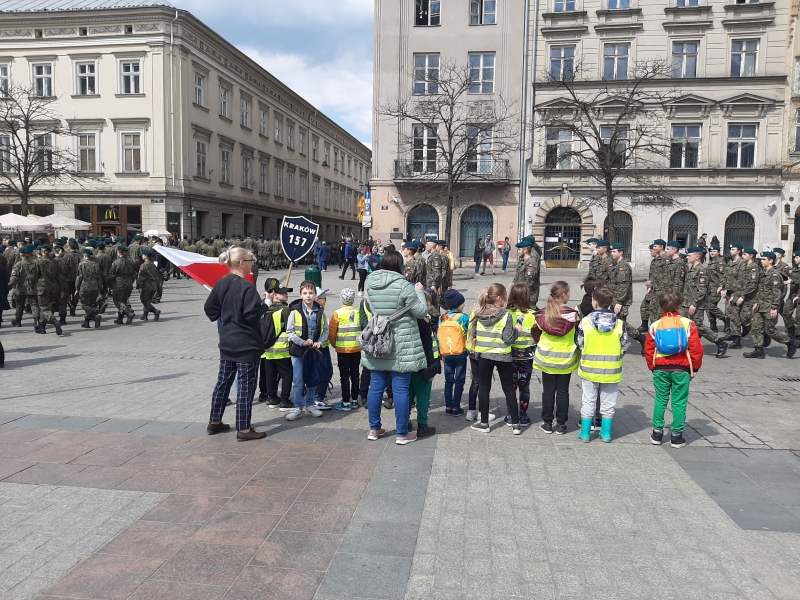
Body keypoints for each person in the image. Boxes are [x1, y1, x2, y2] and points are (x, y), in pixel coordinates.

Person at [360, 249, 428, 444]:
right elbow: (421, 311)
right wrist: (419, 292)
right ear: (399, 265)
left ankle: (374, 429)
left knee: (375, 387)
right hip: (401, 344)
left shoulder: (370, 284)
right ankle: (401, 433)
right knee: (400, 389)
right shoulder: (403, 286)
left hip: (377, 341)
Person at [203, 247, 267, 441]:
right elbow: (251, 314)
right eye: (250, 260)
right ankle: (244, 429)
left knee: (223, 382)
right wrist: (266, 304)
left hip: (227, 342)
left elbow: (209, 309)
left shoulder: (222, 282)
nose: (252, 263)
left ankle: (215, 421)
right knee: (246, 387)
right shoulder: (246, 286)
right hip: (246, 344)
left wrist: (226, 318)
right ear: (241, 263)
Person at [645, 291, 704, 449]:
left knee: (660, 399)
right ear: (679, 306)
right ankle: (676, 436)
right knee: (679, 401)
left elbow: (649, 349)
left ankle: (657, 433)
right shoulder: (688, 324)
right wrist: (695, 367)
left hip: (660, 368)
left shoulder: (655, 325)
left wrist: (653, 366)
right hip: (681, 368)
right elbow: (696, 348)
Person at [576, 285, 628, 443]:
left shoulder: (585, 322)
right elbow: (624, 345)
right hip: (612, 370)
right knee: (608, 402)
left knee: (588, 400)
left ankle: (585, 433)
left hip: (589, 369)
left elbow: (579, 343)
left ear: (594, 302)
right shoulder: (619, 324)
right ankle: (605, 433)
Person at [467, 283, 522, 434]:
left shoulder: (479, 314)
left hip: (485, 356)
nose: (506, 300)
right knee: (509, 389)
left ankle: (484, 423)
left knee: (484, 388)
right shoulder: (506, 315)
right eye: (505, 297)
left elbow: (474, 334)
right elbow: (508, 338)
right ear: (499, 298)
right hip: (503, 355)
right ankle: (516, 424)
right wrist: (517, 330)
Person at [533, 281, 580, 435]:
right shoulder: (573, 315)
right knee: (563, 391)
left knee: (547, 390)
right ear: (564, 295)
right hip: (566, 358)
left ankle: (547, 422)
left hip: (547, 357)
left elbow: (535, 333)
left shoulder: (542, 314)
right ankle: (561, 423)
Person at [285, 281, 328, 420]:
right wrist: (302, 342)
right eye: (305, 293)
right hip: (299, 351)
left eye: (311, 293)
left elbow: (325, 330)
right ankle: (298, 406)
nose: (308, 296)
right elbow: (290, 331)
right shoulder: (295, 311)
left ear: (315, 295)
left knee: (312, 377)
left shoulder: (320, 311)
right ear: (300, 295)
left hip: (314, 352)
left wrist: (319, 342)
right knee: (298, 379)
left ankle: (310, 405)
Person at [744, 251, 798, 359]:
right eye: (761, 259)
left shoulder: (775, 275)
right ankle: (758, 349)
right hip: (761, 306)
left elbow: (777, 293)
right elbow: (761, 291)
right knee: (756, 327)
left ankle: (790, 342)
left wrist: (774, 308)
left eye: (764, 259)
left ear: (771, 261)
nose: (762, 261)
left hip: (769, 307)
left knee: (770, 330)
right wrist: (757, 303)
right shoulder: (764, 273)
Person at [681, 247, 728, 358]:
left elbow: (702, 290)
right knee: (684, 325)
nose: (687, 257)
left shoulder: (701, 270)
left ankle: (720, 343)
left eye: (689, 255)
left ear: (697, 256)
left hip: (696, 304)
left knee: (698, 326)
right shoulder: (692, 268)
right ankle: (688, 346)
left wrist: (694, 304)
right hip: (686, 303)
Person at [408, 291, 439, 438]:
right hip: (424, 366)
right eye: (427, 304)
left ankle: (404, 422)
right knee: (423, 396)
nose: (429, 307)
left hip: (408, 364)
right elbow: (429, 347)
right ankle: (422, 425)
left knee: (407, 395)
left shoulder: (407, 321)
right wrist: (433, 368)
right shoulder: (425, 324)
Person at [506, 285, 536, 426]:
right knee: (525, 386)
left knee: (510, 386)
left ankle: (511, 415)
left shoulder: (507, 314)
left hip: (510, 355)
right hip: (527, 356)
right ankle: (523, 415)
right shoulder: (533, 314)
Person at [329, 288, 362, 409]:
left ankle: (346, 401)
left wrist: (335, 345)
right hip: (356, 348)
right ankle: (354, 400)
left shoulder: (337, 313)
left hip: (343, 349)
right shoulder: (358, 312)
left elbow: (332, 333)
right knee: (355, 374)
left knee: (344, 376)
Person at [440, 289, 469, 417]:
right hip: (461, 353)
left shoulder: (443, 318)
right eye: (462, 303)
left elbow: (438, 336)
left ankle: (448, 406)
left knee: (448, 380)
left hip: (446, 353)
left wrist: (440, 352)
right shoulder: (464, 317)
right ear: (458, 304)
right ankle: (456, 407)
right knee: (459, 379)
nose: (464, 305)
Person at [28, 244, 63, 335]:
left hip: (42, 286)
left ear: (42, 251)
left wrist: (31, 286)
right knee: (48, 307)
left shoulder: (38, 261)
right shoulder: (55, 261)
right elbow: (59, 276)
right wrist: (61, 289)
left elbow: (33, 276)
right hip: (54, 286)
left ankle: (55, 321)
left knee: (44, 307)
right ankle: (42, 327)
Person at [75, 248, 102, 329]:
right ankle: (86, 323)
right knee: (91, 303)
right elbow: (98, 277)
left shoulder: (82, 264)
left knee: (84, 304)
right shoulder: (96, 264)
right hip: (95, 286)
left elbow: (79, 277)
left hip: (85, 286)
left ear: (84, 255)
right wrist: (99, 287)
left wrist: (77, 288)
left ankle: (94, 314)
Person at [109, 245, 137, 325]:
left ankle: (128, 313)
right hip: (129, 282)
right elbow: (134, 274)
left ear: (118, 252)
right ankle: (120, 318)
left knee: (117, 300)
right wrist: (131, 281)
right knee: (124, 300)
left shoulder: (116, 263)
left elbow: (112, 275)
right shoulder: (131, 262)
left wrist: (109, 285)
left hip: (119, 282)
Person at [137, 249, 161, 321]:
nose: (142, 256)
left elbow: (141, 277)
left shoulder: (143, 265)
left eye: (143, 255)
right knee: (148, 300)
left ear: (146, 256)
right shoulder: (153, 264)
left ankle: (155, 311)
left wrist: (139, 286)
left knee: (144, 300)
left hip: (146, 285)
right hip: (153, 285)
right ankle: (145, 315)